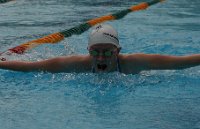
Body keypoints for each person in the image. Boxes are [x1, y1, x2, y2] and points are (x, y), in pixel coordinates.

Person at [0, 24, 199, 74]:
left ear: (118, 51)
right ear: (88, 51)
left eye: (108, 51)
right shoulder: (76, 65)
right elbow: (32, 67)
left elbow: (180, 63)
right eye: (95, 51)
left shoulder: (132, 63)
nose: (101, 57)